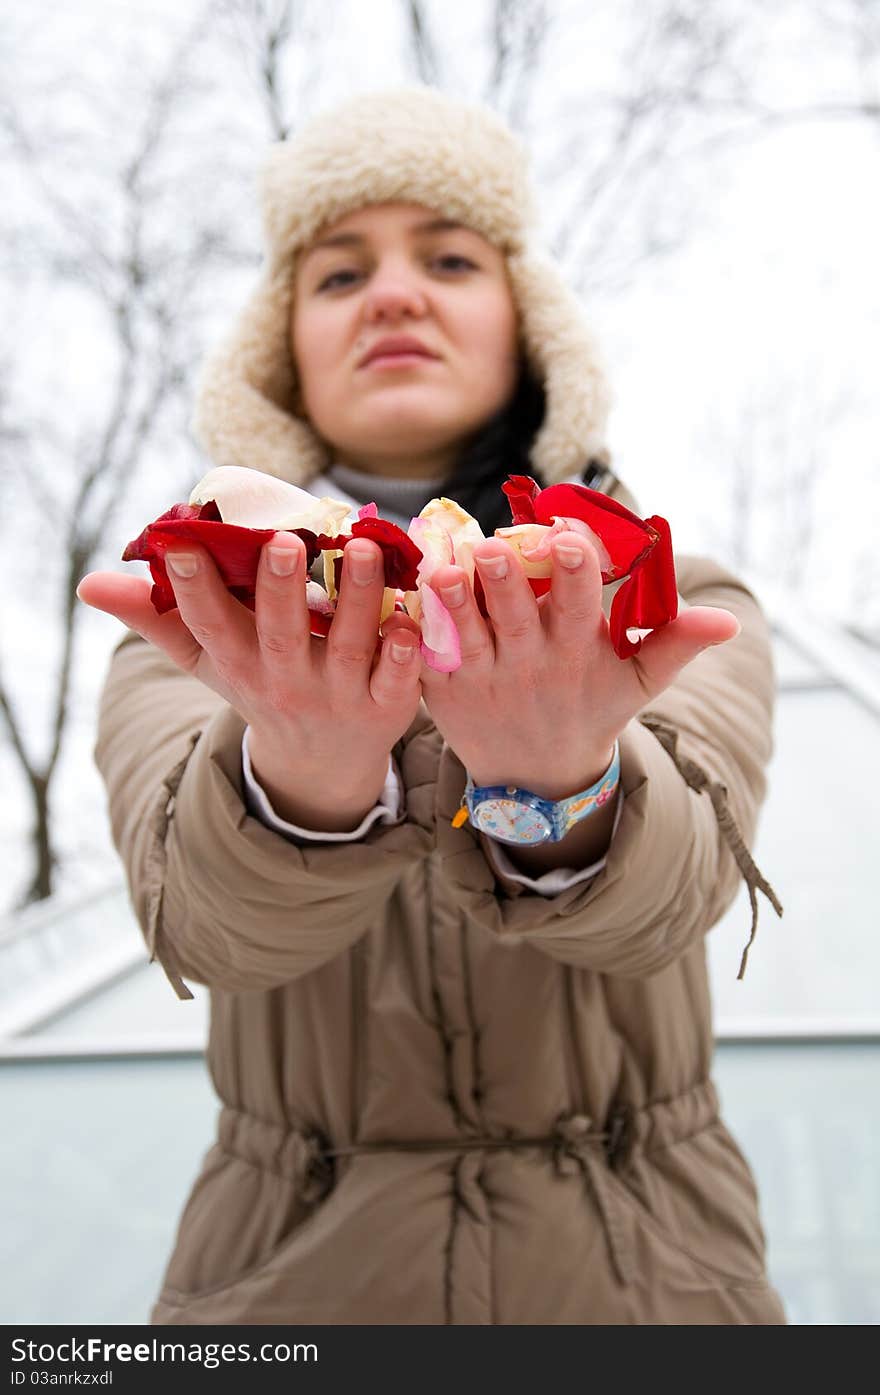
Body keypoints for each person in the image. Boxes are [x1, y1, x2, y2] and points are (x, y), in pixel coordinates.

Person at [76, 87, 786, 1325]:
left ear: (528, 321)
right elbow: (207, 929)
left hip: (650, 1287)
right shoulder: (191, 618)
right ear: (278, 348)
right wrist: (302, 778)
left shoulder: (669, 594)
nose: (395, 294)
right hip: (283, 1298)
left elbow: (672, 907)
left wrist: (562, 788)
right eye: (338, 275)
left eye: (448, 258)